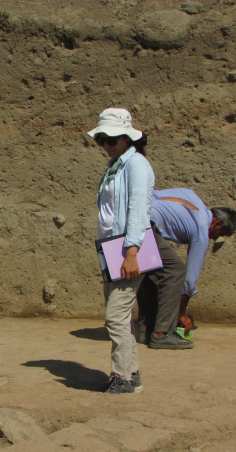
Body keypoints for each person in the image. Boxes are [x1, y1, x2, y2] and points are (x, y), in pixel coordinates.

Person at [88, 108, 155, 394]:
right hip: (112, 250)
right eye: (101, 139)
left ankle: (122, 377)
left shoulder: (137, 165)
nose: (105, 145)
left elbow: (138, 209)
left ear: (127, 137)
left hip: (128, 250)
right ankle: (132, 374)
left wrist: (132, 253)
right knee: (122, 317)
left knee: (115, 317)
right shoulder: (117, 165)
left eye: (110, 139)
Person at [135, 189, 236, 349]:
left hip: (132, 216)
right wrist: (181, 314)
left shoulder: (191, 196)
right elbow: (189, 281)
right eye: (220, 233)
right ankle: (162, 334)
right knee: (176, 272)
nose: (216, 238)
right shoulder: (202, 231)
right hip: (146, 225)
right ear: (217, 223)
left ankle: (145, 330)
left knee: (149, 269)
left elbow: (155, 195)